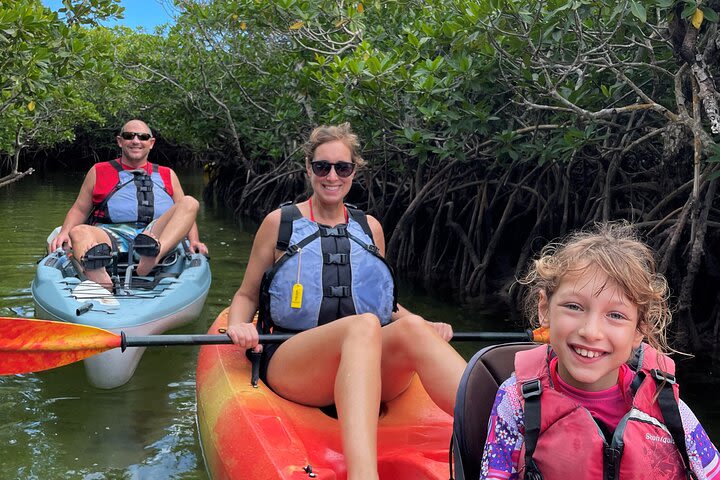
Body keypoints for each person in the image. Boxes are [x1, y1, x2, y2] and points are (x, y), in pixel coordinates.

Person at [226, 123, 467, 480]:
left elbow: (383, 302)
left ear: (355, 170)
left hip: (364, 357)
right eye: (323, 167)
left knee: (411, 328)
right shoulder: (279, 224)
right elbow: (247, 294)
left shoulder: (370, 228)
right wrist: (237, 324)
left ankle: (513, 433)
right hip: (295, 360)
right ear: (309, 169)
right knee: (364, 325)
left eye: (343, 167)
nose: (332, 176)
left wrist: (424, 326)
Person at [479, 222, 720, 479]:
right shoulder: (517, 400)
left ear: (639, 330)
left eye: (615, 315)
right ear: (544, 309)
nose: (591, 331)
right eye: (573, 307)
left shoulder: (666, 404)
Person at [49, 119, 208, 288]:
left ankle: (153, 257)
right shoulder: (98, 171)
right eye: (129, 136)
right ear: (120, 141)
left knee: (190, 202)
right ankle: (103, 285)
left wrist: (194, 241)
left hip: (154, 233)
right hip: (112, 234)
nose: (136, 141)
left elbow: (185, 213)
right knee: (78, 232)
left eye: (143, 137)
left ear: (151, 143)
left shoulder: (167, 174)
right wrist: (65, 232)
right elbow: (80, 209)